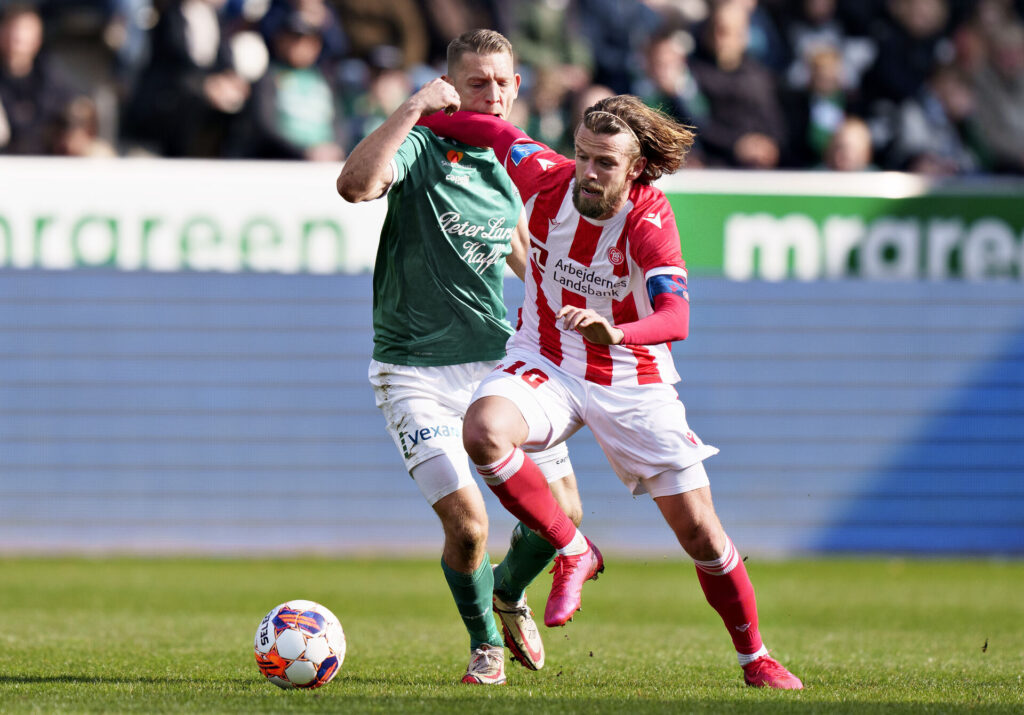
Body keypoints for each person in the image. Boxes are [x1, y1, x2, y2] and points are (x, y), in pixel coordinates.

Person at [418, 93, 804, 689]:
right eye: (583, 157)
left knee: (701, 531)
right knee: (484, 432)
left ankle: (756, 658)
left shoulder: (650, 221)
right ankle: (574, 548)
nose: (588, 174)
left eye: (605, 164)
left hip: (630, 378)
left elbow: (677, 319)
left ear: (635, 169)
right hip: (546, 358)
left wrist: (617, 332)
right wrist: (419, 113)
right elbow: (493, 130)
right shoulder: (547, 177)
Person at [335, 29, 585, 686]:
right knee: (469, 524)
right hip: (414, 369)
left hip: (496, 365)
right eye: (479, 83)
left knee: (565, 514)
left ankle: (506, 593)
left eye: (504, 82)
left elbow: (521, 251)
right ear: (451, 86)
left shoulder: (511, 162)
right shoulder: (420, 144)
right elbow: (356, 187)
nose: (494, 95)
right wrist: (413, 109)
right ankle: (484, 645)